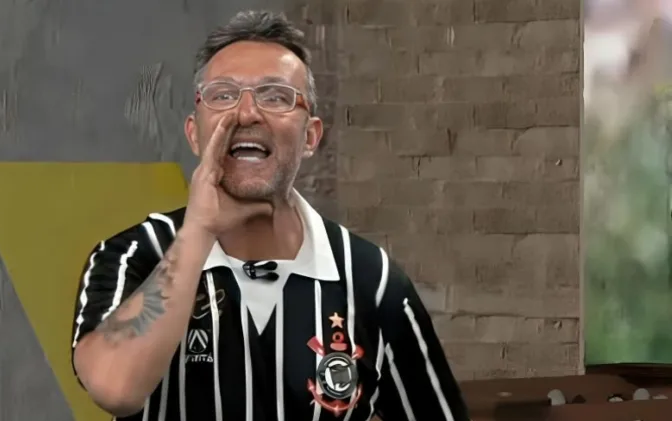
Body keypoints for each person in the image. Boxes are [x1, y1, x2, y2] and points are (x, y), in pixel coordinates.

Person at [70, 9, 470, 421]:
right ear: (194, 133)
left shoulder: (372, 280)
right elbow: (115, 388)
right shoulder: (135, 254)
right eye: (223, 95)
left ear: (310, 136)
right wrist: (199, 232)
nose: (246, 114)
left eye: (275, 96)